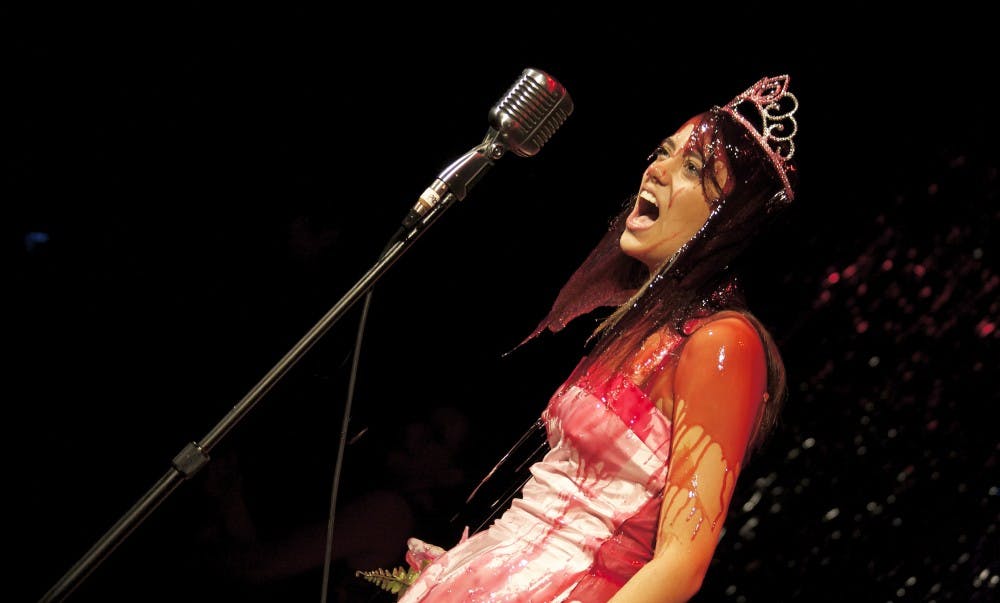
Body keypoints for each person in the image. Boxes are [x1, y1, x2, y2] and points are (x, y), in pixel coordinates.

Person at [395, 74, 799, 602]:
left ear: (730, 222)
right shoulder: (637, 328)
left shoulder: (725, 342)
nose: (656, 170)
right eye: (664, 153)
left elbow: (681, 564)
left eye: (694, 168)